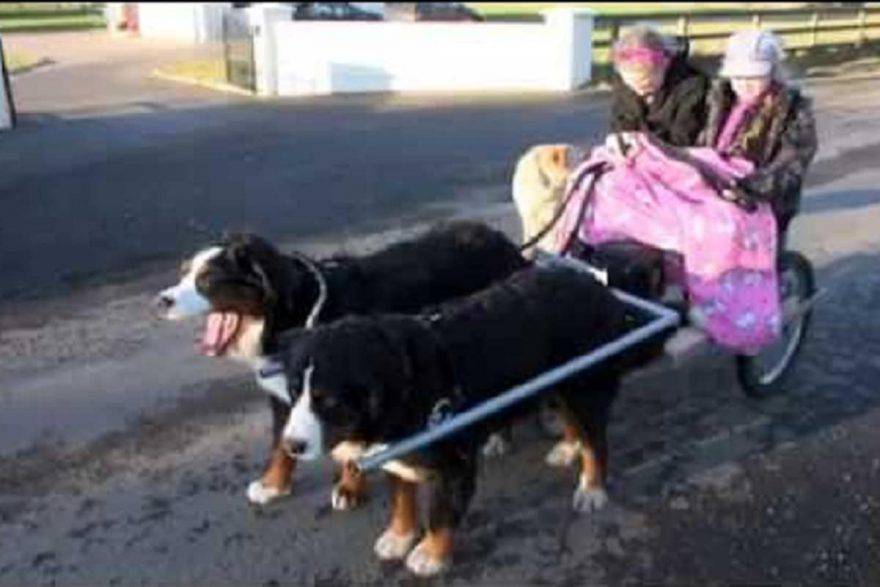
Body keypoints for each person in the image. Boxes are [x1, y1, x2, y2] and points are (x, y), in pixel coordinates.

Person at [554, 29, 817, 354]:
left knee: (716, 228)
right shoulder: (718, 96)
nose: (746, 86)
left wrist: (750, 187)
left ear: (772, 72)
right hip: (709, 180)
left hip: (757, 195)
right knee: (619, 194)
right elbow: (687, 147)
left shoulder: (793, 112)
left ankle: (729, 311)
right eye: (739, 77)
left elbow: (791, 165)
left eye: (755, 77)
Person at [513, 24, 710, 255]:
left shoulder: (692, 87)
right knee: (537, 164)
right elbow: (619, 127)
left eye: (646, 83)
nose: (639, 89)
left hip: (673, 167)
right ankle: (549, 240)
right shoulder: (626, 89)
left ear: (664, 65)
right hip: (630, 162)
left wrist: (639, 146)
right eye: (633, 83)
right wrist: (620, 146)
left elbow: (682, 138)